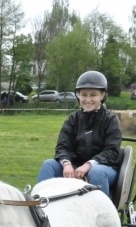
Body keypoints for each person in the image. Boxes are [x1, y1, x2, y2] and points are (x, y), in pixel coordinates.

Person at [36, 70, 122, 198]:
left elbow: (111, 151)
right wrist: (67, 164)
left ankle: (100, 213)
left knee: (96, 172)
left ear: (102, 95)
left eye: (93, 95)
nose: (87, 100)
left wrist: (88, 165)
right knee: (49, 164)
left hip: (104, 167)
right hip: (75, 166)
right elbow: (63, 146)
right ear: (78, 96)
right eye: (83, 95)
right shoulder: (73, 119)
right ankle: (39, 207)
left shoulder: (110, 119)